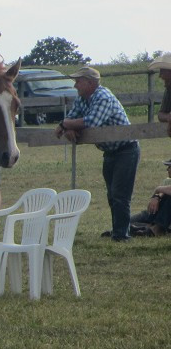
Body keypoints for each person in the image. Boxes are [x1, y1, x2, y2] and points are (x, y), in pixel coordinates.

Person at [55, 66, 139, 242]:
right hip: (110, 151)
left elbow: (91, 122)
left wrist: (66, 125)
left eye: (78, 81)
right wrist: (69, 126)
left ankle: (121, 235)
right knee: (111, 194)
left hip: (126, 149)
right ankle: (120, 229)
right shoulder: (82, 99)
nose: (75, 85)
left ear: (90, 83)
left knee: (119, 194)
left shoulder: (102, 97)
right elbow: (73, 117)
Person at [130, 157, 171, 237]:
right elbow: (160, 194)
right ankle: (117, 231)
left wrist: (158, 189)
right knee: (126, 221)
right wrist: (156, 197)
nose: (167, 169)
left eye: (170, 167)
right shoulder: (168, 180)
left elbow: (162, 190)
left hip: (165, 219)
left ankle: (156, 230)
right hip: (155, 214)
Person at [151, 54, 171, 137]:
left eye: (162, 71)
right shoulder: (169, 90)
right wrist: (168, 117)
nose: (160, 76)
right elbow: (160, 114)